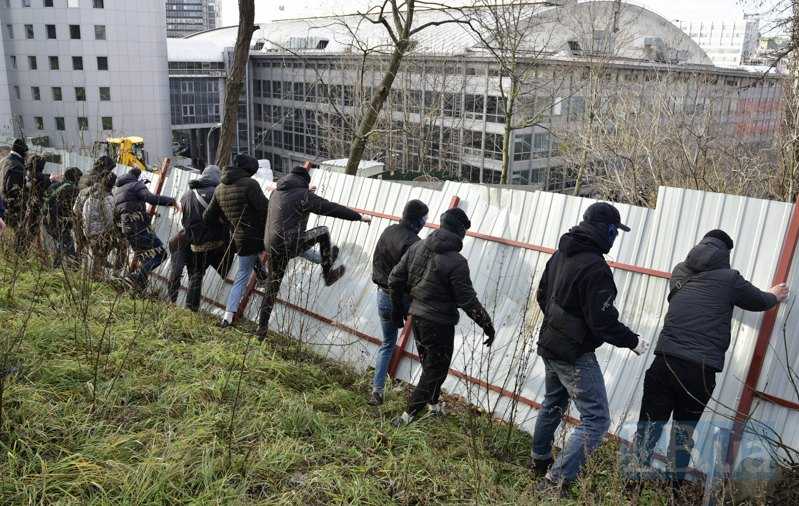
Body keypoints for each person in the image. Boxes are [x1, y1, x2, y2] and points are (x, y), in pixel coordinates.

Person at [632, 230, 790, 486]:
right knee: (683, 434)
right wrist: (774, 295)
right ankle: (673, 490)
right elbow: (758, 301)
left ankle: (632, 486)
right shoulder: (729, 279)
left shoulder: (679, 272)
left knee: (649, 427)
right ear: (726, 253)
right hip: (699, 371)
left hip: (664, 362)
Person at [530, 202, 647, 494]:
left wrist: (559, 324)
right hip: (572, 353)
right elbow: (603, 322)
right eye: (615, 232)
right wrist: (632, 341)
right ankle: (555, 482)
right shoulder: (596, 268)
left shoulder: (560, 253)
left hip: (550, 343)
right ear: (606, 230)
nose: (615, 238)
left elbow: (543, 295)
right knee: (596, 419)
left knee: (553, 403)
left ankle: (539, 459)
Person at [388, 207, 495, 426]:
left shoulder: (417, 246)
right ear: (459, 232)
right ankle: (406, 417)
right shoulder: (457, 262)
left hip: (417, 317)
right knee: (435, 370)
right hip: (439, 323)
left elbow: (394, 279)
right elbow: (467, 301)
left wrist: (399, 309)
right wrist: (487, 325)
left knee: (431, 365)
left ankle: (434, 405)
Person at [256, 162, 370, 338]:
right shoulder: (303, 196)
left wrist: (307, 194)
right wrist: (358, 217)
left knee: (272, 286)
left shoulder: (277, 193)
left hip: (271, 245)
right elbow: (331, 208)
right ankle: (328, 274)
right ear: (305, 181)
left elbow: (290, 207)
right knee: (323, 231)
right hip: (290, 244)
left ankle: (261, 329)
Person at [368, 199, 429, 406]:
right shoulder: (415, 243)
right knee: (425, 346)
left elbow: (377, 260)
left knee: (387, 343)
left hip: (382, 295)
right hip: (400, 299)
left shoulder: (388, 231)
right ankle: (428, 398)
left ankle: (377, 391)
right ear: (418, 221)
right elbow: (411, 278)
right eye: (424, 219)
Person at [203, 154, 269, 327]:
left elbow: (208, 217)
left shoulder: (219, 188)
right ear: (248, 171)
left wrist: (229, 221)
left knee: (245, 270)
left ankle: (227, 318)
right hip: (256, 237)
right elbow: (265, 209)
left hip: (238, 239)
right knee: (242, 277)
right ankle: (229, 315)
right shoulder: (250, 184)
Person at [112, 167, 178, 291]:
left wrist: (122, 234)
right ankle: (134, 277)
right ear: (137, 176)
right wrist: (171, 201)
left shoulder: (117, 191)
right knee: (161, 255)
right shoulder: (136, 185)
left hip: (128, 232)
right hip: (140, 228)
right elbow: (151, 198)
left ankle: (137, 289)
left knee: (147, 259)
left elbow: (115, 216)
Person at [179, 165, 233, 311]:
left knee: (196, 275)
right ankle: (234, 307)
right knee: (231, 271)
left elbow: (184, 220)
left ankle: (190, 308)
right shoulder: (216, 193)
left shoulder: (186, 195)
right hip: (216, 243)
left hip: (195, 244)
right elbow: (225, 217)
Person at [75, 156, 116, 257]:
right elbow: (93, 197)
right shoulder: (95, 178)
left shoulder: (88, 174)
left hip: (81, 213)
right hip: (86, 215)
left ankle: (78, 265)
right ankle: (84, 267)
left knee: (81, 245)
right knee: (88, 246)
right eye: (110, 168)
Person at [82, 172, 121, 279]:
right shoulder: (108, 198)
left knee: (94, 257)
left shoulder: (90, 196)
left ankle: (89, 277)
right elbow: (109, 221)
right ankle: (96, 278)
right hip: (100, 233)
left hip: (89, 232)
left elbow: (83, 213)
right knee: (99, 257)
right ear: (112, 186)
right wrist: (111, 233)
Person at [43, 166, 83, 267]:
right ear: (75, 178)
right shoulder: (72, 189)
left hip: (47, 221)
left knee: (61, 245)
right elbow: (72, 210)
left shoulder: (54, 186)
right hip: (60, 222)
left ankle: (56, 268)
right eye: (78, 178)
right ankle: (74, 269)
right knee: (68, 247)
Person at [21, 154, 53, 251]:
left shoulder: (27, 176)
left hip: (27, 209)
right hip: (38, 211)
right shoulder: (43, 179)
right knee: (38, 238)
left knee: (28, 235)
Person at [0, 138, 28, 239]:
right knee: (18, 239)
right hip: (11, 211)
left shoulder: (3, 161)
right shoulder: (17, 166)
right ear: (23, 152)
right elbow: (13, 192)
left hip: (2, 206)